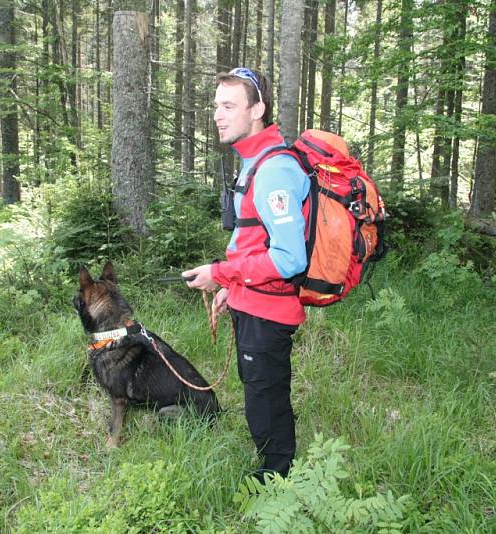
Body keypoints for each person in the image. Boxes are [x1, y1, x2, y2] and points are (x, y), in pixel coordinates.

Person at [182, 67, 310, 481]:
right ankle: (275, 466)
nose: (218, 115)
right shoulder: (253, 161)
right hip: (252, 300)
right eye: (216, 106)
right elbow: (254, 242)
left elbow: (290, 258)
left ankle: (277, 478)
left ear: (258, 109)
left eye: (229, 106)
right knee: (259, 390)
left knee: (265, 396)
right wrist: (231, 287)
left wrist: (221, 273)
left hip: (270, 311)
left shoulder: (273, 169)